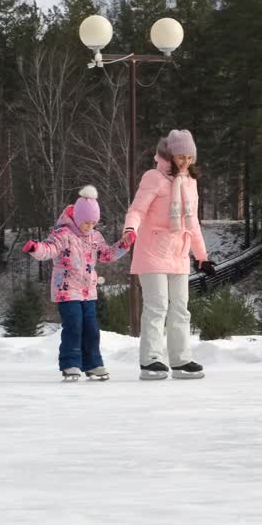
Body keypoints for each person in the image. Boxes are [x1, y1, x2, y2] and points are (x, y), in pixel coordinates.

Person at [120, 130, 217, 380]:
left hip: (178, 252)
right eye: (180, 156)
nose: (184, 161)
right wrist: (130, 229)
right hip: (152, 249)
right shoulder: (154, 177)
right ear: (170, 155)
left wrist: (202, 256)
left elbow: (192, 221)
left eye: (188, 157)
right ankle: (151, 359)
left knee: (181, 308)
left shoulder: (190, 182)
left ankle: (181, 359)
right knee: (158, 305)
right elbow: (137, 209)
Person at [23, 186, 130, 381]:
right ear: (78, 218)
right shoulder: (63, 234)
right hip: (67, 290)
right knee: (74, 325)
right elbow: (49, 249)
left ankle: (93, 363)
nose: (89, 227)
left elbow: (106, 255)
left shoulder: (95, 237)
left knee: (91, 328)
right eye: (86, 222)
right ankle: (71, 363)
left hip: (88, 291)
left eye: (93, 223)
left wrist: (124, 244)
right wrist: (35, 248)